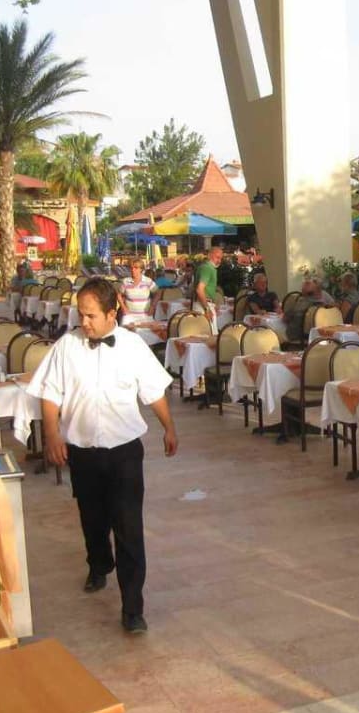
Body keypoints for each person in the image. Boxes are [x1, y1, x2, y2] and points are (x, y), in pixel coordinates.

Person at [28, 278, 178, 634]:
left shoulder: (133, 346)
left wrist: (169, 427)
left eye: (91, 315)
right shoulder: (67, 346)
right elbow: (50, 393)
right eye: (81, 314)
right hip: (83, 452)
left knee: (129, 529)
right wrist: (52, 434)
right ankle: (98, 564)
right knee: (92, 519)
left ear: (113, 313)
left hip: (125, 453)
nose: (84, 322)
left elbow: (153, 391)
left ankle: (132, 608)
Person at [284, 278, 332, 343]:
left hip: (297, 336)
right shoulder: (324, 307)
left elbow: (285, 319)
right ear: (319, 292)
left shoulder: (300, 304)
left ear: (304, 293)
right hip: (318, 336)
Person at [117, 259, 157, 326]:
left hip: (146, 316)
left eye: (136, 268)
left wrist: (152, 307)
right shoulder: (126, 281)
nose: (133, 270)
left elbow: (158, 293)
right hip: (129, 316)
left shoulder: (148, 281)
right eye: (131, 268)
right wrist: (123, 307)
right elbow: (119, 294)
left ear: (141, 269)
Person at [194, 246, 224, 327]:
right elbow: (199, 290)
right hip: (203, 306)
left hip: (204, 305)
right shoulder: (207, 268)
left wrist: (213, 304)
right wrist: (207, 309)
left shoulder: (205, 267)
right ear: (209, 256)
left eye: (221, 258)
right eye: (217, 257)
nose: (219, 261)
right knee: (208, 334)